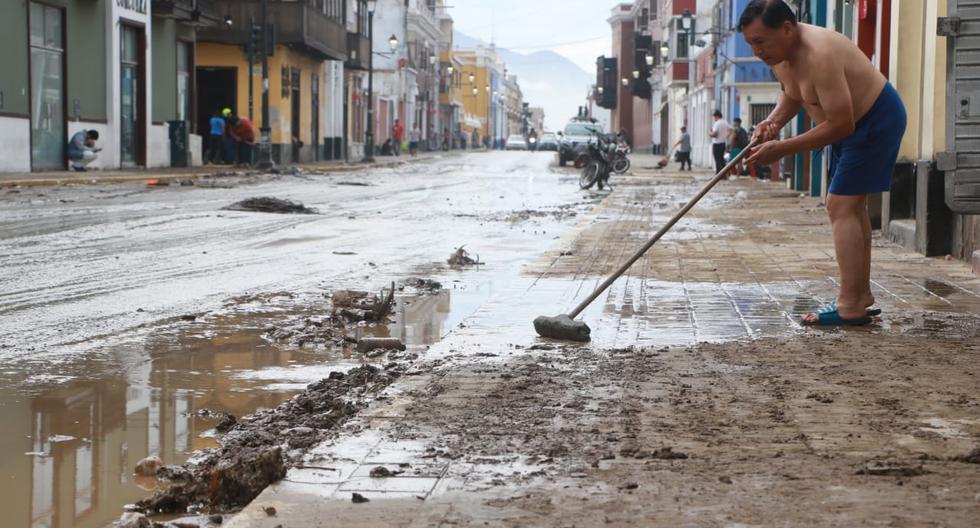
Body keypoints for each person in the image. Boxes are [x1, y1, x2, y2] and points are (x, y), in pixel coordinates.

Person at [740, 0, 906, 326]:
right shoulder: (781, 56)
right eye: (751, 44)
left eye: (761, 41)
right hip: (850, 126)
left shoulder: (821, 53)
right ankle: (859, 296)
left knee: (840, 206)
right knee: (850, 207)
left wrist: (782, 148)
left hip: (874, 119)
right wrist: (771, 122)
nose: (757, 52)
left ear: (787, 28)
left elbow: (841, 125)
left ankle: (849, 305)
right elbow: (794, 93)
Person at [709, 110, 732, 174]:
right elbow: (731, 130)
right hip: (723, 143)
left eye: (714, 117)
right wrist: (726, 136)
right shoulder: (725, 122)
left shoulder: (717, 123)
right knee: (722, 159)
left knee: (717, 159)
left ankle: (718, 173)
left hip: (717, 143)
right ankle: (725, 173)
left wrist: (710, 133)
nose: (714, 119)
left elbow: (715, 134)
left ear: (716, 116)